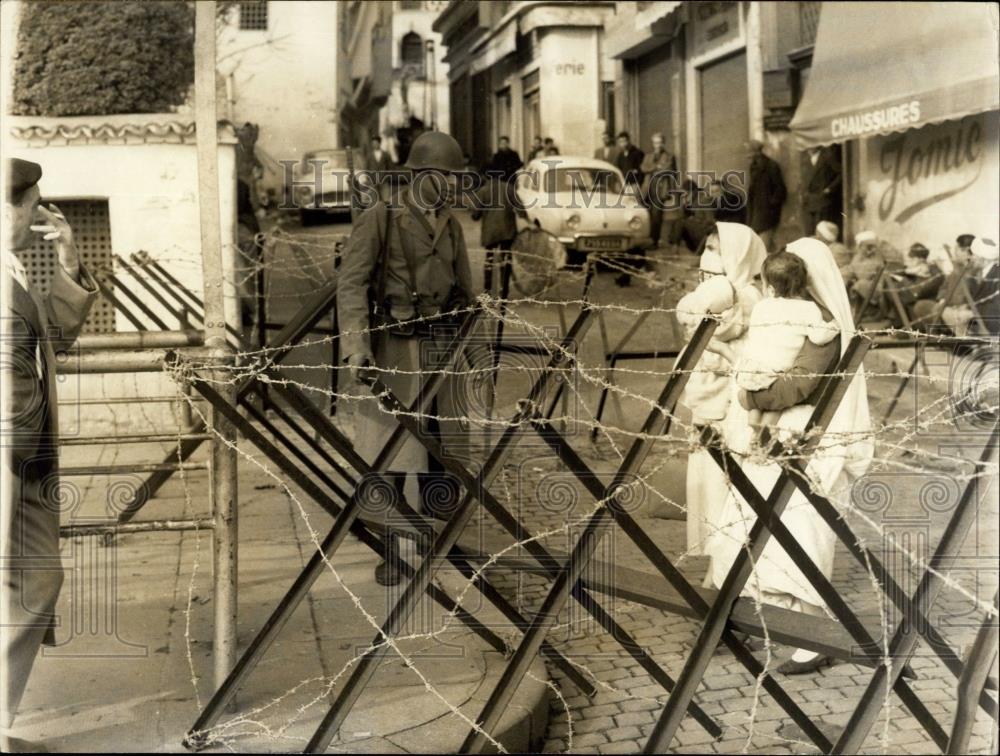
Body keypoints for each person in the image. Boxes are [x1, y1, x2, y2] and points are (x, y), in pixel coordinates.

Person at [708, 236, 873, 674]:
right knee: (744, 524)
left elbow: (800, 384)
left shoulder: (823, 326)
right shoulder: (783, 319)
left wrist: (748, 392)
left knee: (796, 532)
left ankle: (813, 635)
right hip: (768, 443)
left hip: (802, 444)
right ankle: (750, 615)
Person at [337, 131, 476, 586]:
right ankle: (392, 550)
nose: (456, 187)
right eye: (449, 178)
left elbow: (466, 290)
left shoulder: (450, 224)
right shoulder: (383, 216)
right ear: (423, 175)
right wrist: (357, 347)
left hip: (442, 349)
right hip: (395, 349)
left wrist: (472, 349)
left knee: (443, 449)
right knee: (392, 454)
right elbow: (352, 284)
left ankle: (437, 539)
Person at [2, 158, 98, 750]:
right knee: (28, 585)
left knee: (37, 583)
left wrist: (67, 262)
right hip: (12, 461)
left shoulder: (12, 271)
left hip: (28, 466)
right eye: (34, 208)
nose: (38, 217)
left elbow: (54, 339)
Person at [676, 223, 767, 567]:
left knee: (723, 485)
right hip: (707, 402)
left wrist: (704, 342)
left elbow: (710, 335)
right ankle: (718, 561)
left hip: (727, 406)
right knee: (707, 481)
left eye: (717, 250)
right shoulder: (719, 293)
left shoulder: (745, 296)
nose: (708, 255)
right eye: (708, 247)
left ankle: (726, 563)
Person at [713, 251, 838, 432]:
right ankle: (764, 435)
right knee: (776, 402)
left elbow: (755, 335)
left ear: (770, 289)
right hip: (774, 377)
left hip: (748, 372)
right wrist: (834, 326)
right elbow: (819, 338)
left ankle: (754, 425)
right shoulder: (808, 309)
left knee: (760, 394)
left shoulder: (761, 306)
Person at [471, 173, 518, 292]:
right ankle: (505, 288)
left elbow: (475, 215)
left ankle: (487, 289)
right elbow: (521, 209)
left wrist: (476, 215)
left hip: (491, 233)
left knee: (490, 259)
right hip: (508, 231)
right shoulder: (509, 188)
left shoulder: (484, 191)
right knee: (506, 259)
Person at [640, 132, 679, 250]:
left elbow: (669, 170)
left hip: (660, 188)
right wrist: (656, 167)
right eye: (655, 143)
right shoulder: (648, 156)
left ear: (663, 143)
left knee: (657, 215)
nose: (658, 145)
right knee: (646, 214)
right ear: (653, 144)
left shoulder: (670, 156)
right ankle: (645, 238)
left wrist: (653, 169)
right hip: (648, 188)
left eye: (660, 143)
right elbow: (643, 168)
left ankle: (654, 240)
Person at [745, 140, 787, 251]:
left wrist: (770, 203)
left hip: (767, 212)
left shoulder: (771, 166)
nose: (748, 157)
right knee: (762, 243)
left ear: (757, 153)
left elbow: (780, 189)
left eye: (750, 153)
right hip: (756, 210)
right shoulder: (753, 167)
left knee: (763, 244)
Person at [841, 229, 886, 314]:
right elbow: (851, 268)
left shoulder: (876, 257)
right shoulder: (859, 256)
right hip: (865, 284)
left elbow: (863, 275)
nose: (871, 249)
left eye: (872, 246)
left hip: (877, 288)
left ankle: (868, 312)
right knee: (842, 279)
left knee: (860, 284)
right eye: (868, 246)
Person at [802, 146, 842, 234]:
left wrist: (830, 188)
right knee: (809, 231)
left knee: (821, 230)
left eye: (811, 145)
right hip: (809, 200)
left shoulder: (827, 156)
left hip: (823, 200)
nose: (809, 148)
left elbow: (841, 173)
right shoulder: (805, 158)